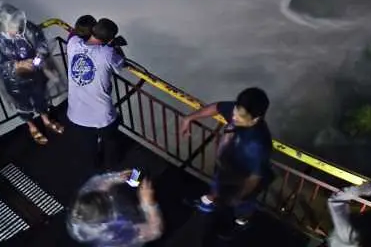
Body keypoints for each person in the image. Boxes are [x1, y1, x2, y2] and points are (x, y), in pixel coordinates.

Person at [179, 87, 274, 234]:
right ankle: (208, 201)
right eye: (235, 109)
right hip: (227, 169)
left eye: (240, 116)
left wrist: (239, 196)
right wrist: (189, 118)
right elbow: (217, 107)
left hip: (244, 178)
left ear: (255, 119)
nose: (234, 116)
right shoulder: (239, 113)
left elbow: (254, 177)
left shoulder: (256, 144)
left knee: (243, 204)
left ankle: (241, 222)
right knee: (217, 188)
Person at [0, 1, 65, 145]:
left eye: (17, 24)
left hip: (36, 75)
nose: (16, 29)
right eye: (11, 26)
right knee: (22, 105)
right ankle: (32, 126)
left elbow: (42, 45)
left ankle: (46, 119)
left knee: (40, 98)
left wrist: (37, 61)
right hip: (14, 82)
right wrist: (16, 65)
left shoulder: (28, 28)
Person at [66, 17, 127, 171]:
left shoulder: (73, 43)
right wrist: (115, 46)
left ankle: (94, 170)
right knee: (111, 142)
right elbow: (121, 63)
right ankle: (111, 168)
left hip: (76, 114)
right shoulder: (107, 53)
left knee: (88, 148)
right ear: (110, 39)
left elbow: (73, 32)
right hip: (102, 117)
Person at [67, 170, 163, 246]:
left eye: (104, 194)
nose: (110, 196)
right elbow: (154, 231)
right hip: (126, 230)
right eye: (108, 197)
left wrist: (120, 178)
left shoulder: (83, 199)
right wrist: (148, 203)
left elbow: (99, 183)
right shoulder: (116, 234)